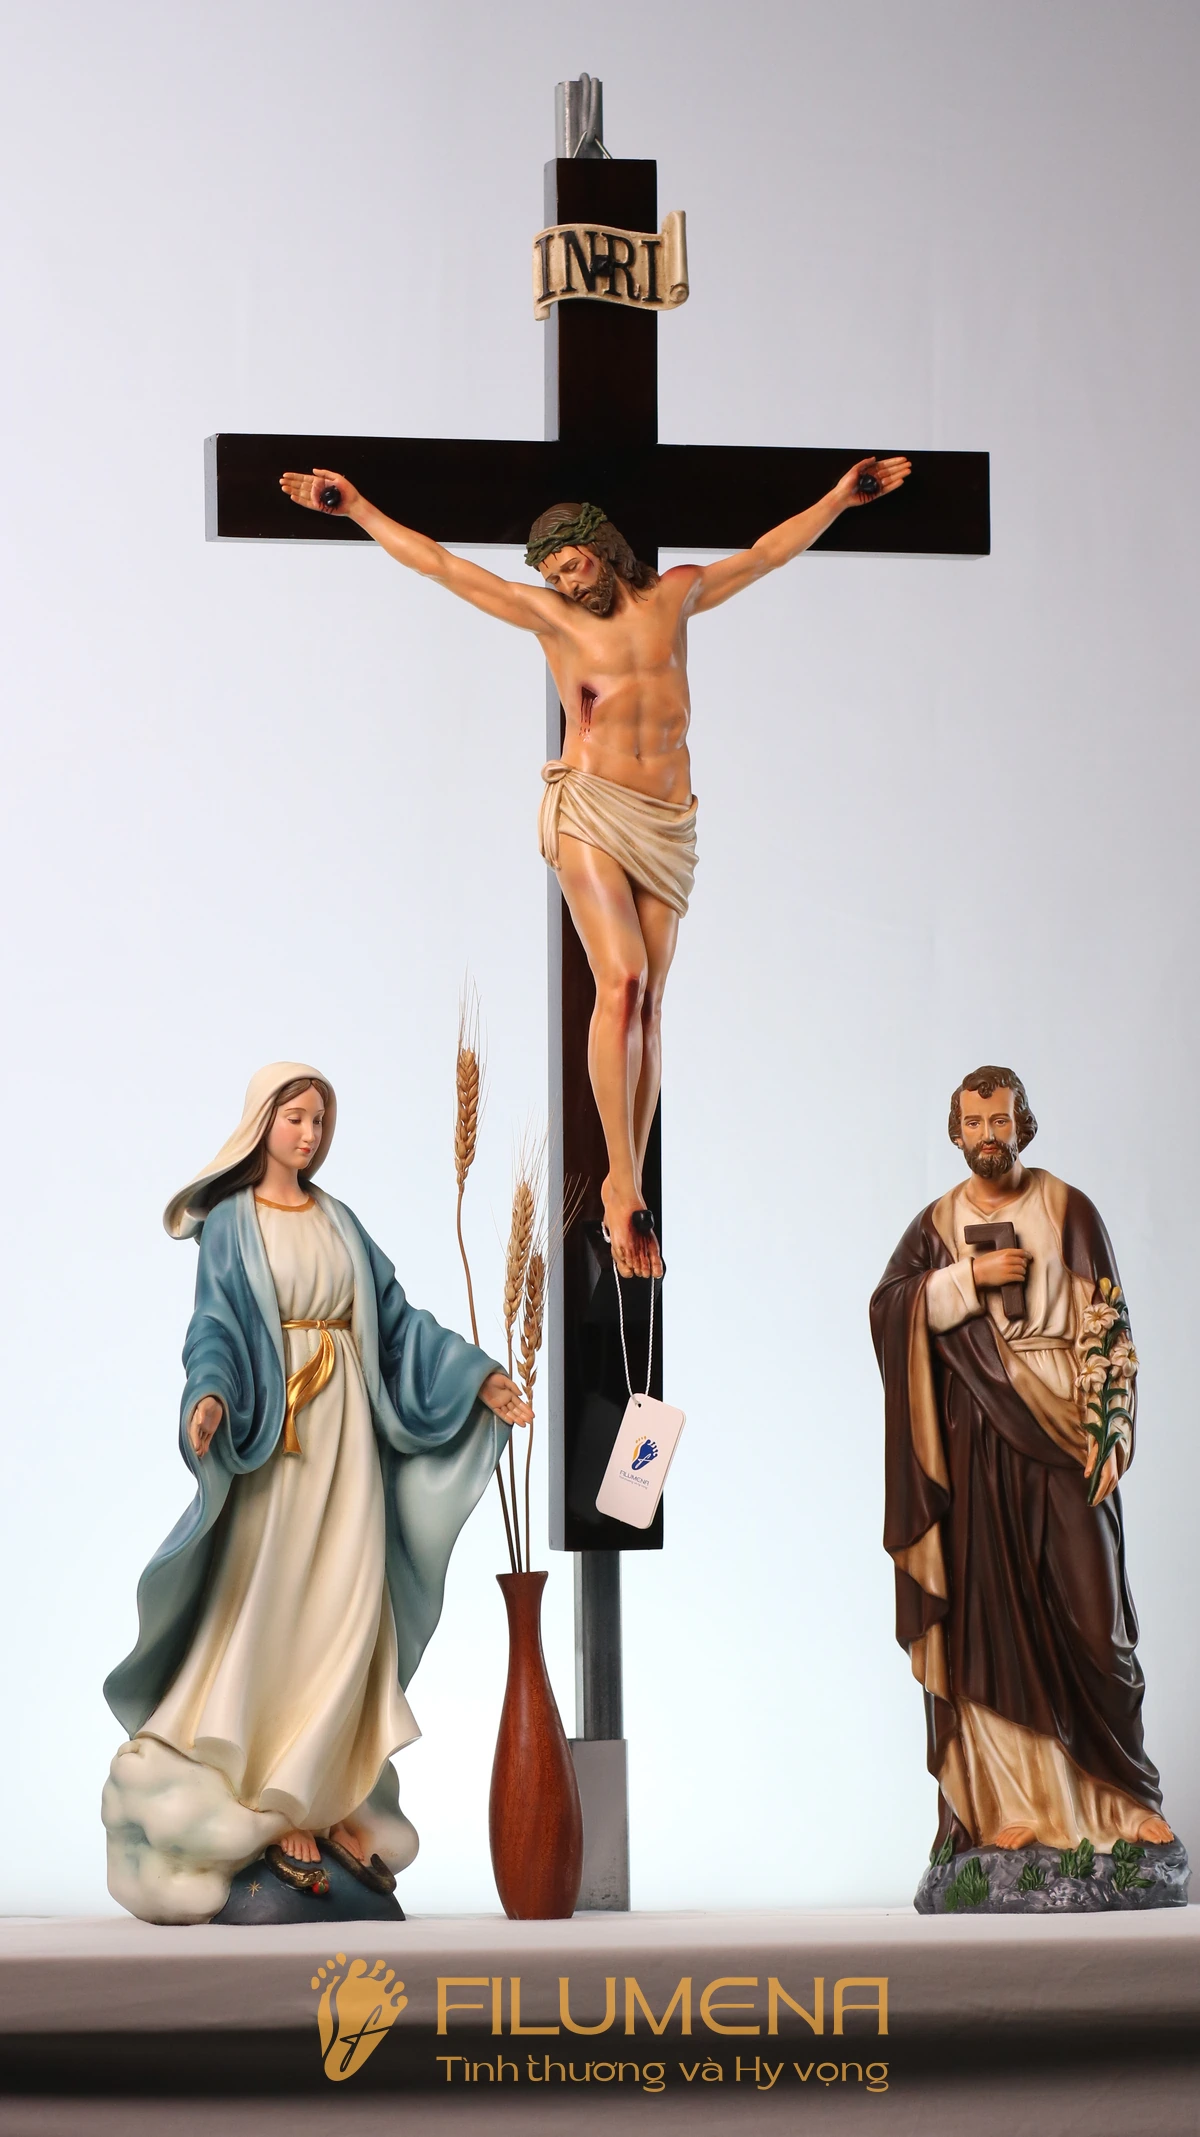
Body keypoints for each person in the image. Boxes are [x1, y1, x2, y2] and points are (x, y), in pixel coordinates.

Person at [280, 459, 910, 1279]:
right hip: (589, 810)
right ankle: (621, 1180)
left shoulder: (676, 595)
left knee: (651, 1000)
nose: (565, 585)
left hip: (668, 821)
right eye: (551, 576)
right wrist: (359, 507)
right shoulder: (552, 620)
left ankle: (628, 1176)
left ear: (602, 548)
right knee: (622, 980)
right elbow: (442, 566)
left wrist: (840, 497)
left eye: (572, 566)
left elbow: (764, 555)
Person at [102, 1063, 530, 1924]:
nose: (309, 1134)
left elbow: (398, 1323)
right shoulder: (232, 1225)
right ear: (263, 1122)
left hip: (347, 1443)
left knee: (348, 1611)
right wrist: (210, 1396)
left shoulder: (338, 1219)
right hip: (279, 1446)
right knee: (273, 1608)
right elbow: (214, 1327)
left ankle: (325, 1796)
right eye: (296, 1117)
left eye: (319, 1121)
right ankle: (272, 1799)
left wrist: (476, 1376)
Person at [869, 1065, 1174, 1860]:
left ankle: (1124, 1799)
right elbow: (888, 1307)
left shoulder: (1069, 1209)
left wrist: (1112, 1428)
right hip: (975, 1441)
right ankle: (1009, 1804)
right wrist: (967, 1278)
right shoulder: (938, 1224)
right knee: (989, 1623)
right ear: (956, 1130)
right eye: (974, 1123)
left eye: (1001, 1120)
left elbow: (1110, 1324)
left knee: (1095, 1621)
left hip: (1065, 1429)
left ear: (1023, 1124)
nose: (988, 1136)